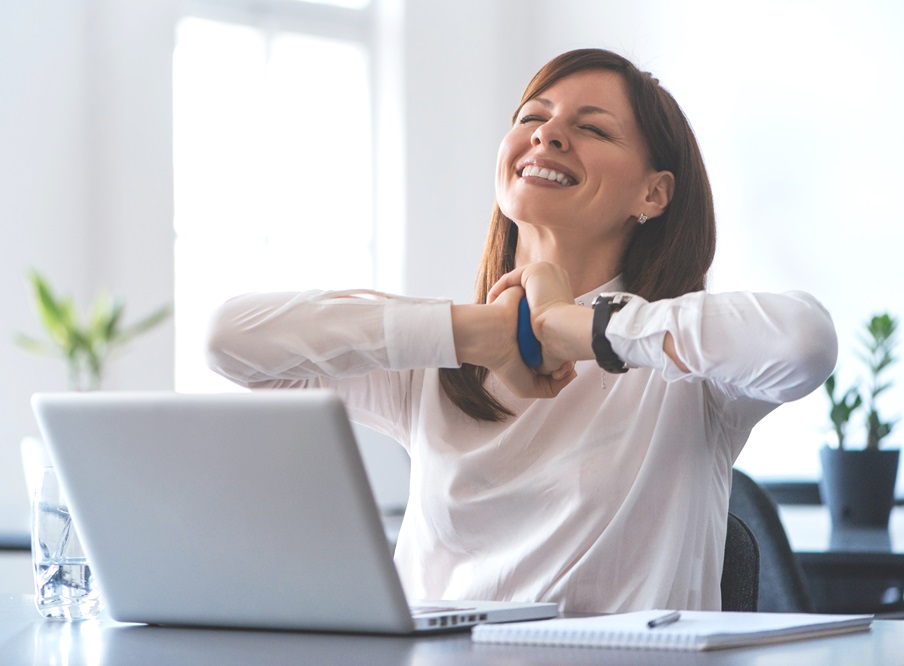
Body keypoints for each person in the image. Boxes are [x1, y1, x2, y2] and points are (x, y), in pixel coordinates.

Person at [206, 48, 837, 613]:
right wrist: (471, 332)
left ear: (654, 194)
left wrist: (576, 328)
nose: (549, 134)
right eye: (531, 117)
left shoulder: (687, 376)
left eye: (592, 128)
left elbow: (802, 342)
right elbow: (231, 342)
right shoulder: (439, 354)